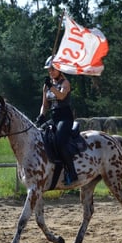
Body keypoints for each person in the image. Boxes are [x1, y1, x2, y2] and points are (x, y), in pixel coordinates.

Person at [35, 56, 78, 185]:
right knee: (39, 136)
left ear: (59, 69)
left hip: (65, 117)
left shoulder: (65, 83)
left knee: (59, 140)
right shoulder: (47, 85)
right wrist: (41, 115)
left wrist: (51, 87)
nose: (50, 72)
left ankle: (71, 172)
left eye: (53, 69)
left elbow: (61, 96)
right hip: (54, 117)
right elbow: (45, 104)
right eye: (49, 69)